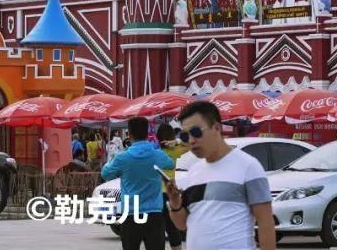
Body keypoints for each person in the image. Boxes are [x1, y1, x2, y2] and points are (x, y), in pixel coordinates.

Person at [166, 101, 275, 250]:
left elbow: (266, 223)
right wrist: (175, 203)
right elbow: (182, 224)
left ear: (217, 128)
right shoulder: (194, 172)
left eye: (196, 132)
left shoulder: (248, 166)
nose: (191, 140)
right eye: (185, 136)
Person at [101, 116, 174, 250]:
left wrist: (113, 160)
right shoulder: (157, 155)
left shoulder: (122, 158)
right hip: (154, 214)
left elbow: (105, 174)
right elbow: (170, 164)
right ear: (147, 133)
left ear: (129, 134)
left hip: (130, 215)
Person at [156, 124, 188, 250]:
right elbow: (191, 145)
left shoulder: (155, 152)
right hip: (170, 194)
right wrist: (177, 142)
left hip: (156, 195)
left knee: (157, 229)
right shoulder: (174, 151)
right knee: (172, 228)